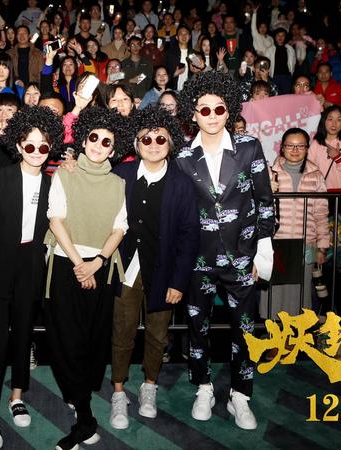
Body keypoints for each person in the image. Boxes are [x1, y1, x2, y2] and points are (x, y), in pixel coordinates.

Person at [176, 71, 275, 430]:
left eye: (219, 108)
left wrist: (262, 251)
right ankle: (203, 387)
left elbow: (265, 201)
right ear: (193, 114)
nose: (213, 115)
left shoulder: (249, 147)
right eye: (204, 109)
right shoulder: (182, 155)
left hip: (242, 257)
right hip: (197, 260)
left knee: (245, 331)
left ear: (229, 109)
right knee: (197, 327)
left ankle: (240, 395)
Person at [0, 107, 63, 449]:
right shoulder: (1, 177)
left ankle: (16, 396)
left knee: (24, 336)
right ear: (18, 145)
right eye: (30, 145)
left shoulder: (52, 183)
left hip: (31, 264)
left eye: (43, 146)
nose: (37, 152)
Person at [44, 106, 130, 450]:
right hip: (66, 265)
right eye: (93, 137)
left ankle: (81, 404)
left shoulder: (119, 184)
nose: (98, 145)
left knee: (92, 342)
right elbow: (55, 221)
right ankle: (85, 419)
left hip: (101, 268)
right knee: (67, 341)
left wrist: (98, 262)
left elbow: (119, 228)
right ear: (83, 139)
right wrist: (81, 264)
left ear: (114, 148)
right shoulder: (64, 174)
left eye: (106, 141)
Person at [109, 106, 199, 429]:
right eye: (146, 139)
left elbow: (189, 236)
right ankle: (118, 391)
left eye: (160, 138)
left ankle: (149, 387)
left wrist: (178, 281)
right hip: (126, 269)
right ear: (136, 143)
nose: (153, 144)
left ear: (170, 143)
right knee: (122, 332)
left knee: (158, 335)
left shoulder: (181, 184)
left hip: (163, 272)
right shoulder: (120, 175)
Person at [261, 128, 329, 319]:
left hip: (305, 242)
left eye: (300, 146)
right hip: (277, 241)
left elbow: (321, 212)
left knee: (300, 294)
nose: (295, 150)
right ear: (282, 148)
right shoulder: (269, 172)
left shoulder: (316, 174)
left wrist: (322, 246)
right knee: (274, 293)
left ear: (307, 148)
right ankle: (273, 334)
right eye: (290, 145)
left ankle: (297, 334)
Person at [308, 106, 341, 193]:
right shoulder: (315, 143)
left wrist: (338, 157)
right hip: (321, 192)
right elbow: (309, 169)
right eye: (330, 119)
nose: (334, 123)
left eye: (339, 119)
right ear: (324, 121)